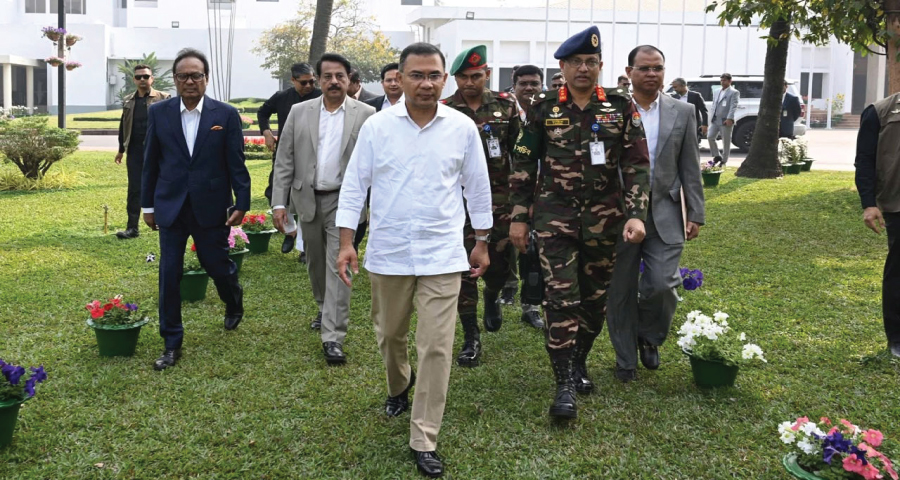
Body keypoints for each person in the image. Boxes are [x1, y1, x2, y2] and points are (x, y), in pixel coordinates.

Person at [335, 42, 492, 478]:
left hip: (442, 254)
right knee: (390, 335)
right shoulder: (377, 127)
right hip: (390, 254)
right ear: (400, 79)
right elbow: (355, 186)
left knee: (437, 346)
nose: (426, 83)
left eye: (434, 75)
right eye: (417, 75)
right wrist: (346, 242)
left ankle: (424, 437)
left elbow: (478, 187)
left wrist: (481, 240)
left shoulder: (461, 128)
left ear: (444, 79)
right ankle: (399, 385)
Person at [509, 26, 650, 419]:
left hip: (605, 221)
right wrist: (518, 217)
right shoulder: (543, 106)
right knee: (561, 299)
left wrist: (636, 213)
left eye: (590, 62)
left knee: (594, 301)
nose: (583, 68)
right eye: (575, 62)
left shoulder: (619, 106)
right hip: (554, 218)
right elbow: (523, 163)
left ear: (600, 65)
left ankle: (578, 361)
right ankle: (564, 385)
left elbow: (637, 164)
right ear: (563, 67)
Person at [142, 48, 251, 371]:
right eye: (183, 76)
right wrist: (147, 206)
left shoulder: (225, 115)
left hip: (211, 205)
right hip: (170, 206)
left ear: (206, 78)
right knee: (169, 274)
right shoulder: (159, 113)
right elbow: (150, 163)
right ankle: (171, 342)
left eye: (196, 75)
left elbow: (236, 163)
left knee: (217, 265)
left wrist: (242, 202)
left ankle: (233, 300)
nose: (189, 81)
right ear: (174, 79)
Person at [607, 46, 705, 382]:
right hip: (618, 213)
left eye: (658, 68)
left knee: (663, 283)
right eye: (645, 68)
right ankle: (625, 359)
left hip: (665, 211)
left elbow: (690, 164)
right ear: (629, 71)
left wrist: (696, 212)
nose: (652, 74)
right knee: (620, 289)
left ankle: (648, 336)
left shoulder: (684, 111)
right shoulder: (611, 110)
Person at [440, 46, 541, 369]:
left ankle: (492, 294)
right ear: (455, 79)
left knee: (498, 265)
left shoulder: (505, 105)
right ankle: (471, 336)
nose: (470, 83)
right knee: (463, 270)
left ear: (486, 74)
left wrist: (525, 200)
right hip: (457, 203)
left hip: (500, 201)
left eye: (476, 76)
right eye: (463, 78)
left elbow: (521, 153)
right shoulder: (445, 110)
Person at [270, 53, 375, 364]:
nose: (334, 81)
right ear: (318, 80)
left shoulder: (366, 114)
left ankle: (333, 336)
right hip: (307, 198)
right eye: (327, 76)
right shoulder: (299, 112)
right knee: (315, 263)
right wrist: (279, 203)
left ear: (349, 78)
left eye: (340, 76)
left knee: (338, 264)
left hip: (345, 201)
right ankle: (323, 306)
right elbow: (284, 159)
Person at [258, 63, 322, 256]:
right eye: (303, 82)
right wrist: (266, 132)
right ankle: (290, 231)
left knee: (308, 197)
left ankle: (304, 246)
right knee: (275, 193)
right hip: (285, 152)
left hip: (312, 153)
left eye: (312, 81)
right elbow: (262, 112)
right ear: (293, 80)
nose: (309, 86)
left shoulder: (321, 96)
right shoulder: (282, 97)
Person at [854, 91, 900, 359]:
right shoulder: (880, 112)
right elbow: (864, 159)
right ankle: (897, 338)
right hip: (897, 203)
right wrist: (869, 203)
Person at [114, 64, 170, 239]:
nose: (142, 80)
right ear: (134, 80)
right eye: (139, 77)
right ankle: (132, 228)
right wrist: (121, 149)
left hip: (158, 151)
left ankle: (164, 223)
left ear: (152, 78)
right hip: (135, 151)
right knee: (134, 189)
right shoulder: (128, 100)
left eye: (146, 76)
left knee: (162, 185)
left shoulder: (164, 98)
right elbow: (123, 125)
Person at [708, 72, 740, 166]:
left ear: (730, 81)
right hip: (715, 119)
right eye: (721, 80)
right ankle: (717, 155)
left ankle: (724, 160)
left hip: (725, 120)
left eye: (724, 80)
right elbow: (714, 104)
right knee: (710, 137)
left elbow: (733, 106)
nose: (722, 82)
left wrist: (730, 118)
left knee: (725, 141)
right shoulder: (717, 91)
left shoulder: (734, 92)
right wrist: (712, 116)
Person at [670, 77, 708, 143]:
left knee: (692, 145)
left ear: (683, 85)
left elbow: (703, 111)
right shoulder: (674, 97)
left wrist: (705, 124)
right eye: (673, 87)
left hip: (692, 126)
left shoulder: (695, 96)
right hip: (678, 127)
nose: (674, 89)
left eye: (675, 87)